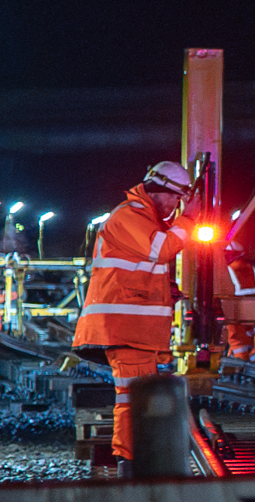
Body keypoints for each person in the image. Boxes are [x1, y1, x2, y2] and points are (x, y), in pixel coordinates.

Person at [73, 160, 191, 463]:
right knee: (133, 400)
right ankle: (130, 461)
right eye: (176, 198)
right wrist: (189, 219)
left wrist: (166, 291)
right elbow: (162, 250)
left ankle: (134, 460)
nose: (176, 206)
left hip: (135, 331)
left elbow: (140, 271)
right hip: (124, 329)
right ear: (157, 191)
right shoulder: (129, 215)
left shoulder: (145, 220)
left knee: (137, 398)